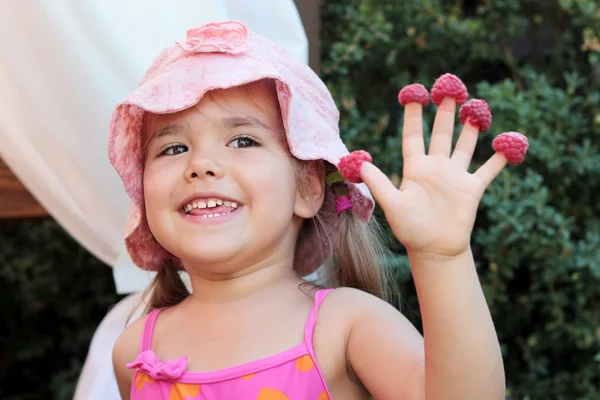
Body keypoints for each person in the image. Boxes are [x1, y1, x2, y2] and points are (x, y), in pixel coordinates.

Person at [111, 20, 509, 399]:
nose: (201, 164)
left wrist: (441, 258)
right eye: (173, 148)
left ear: (309, 187)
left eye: (243, 140)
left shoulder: (344, 324)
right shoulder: (133, 351)